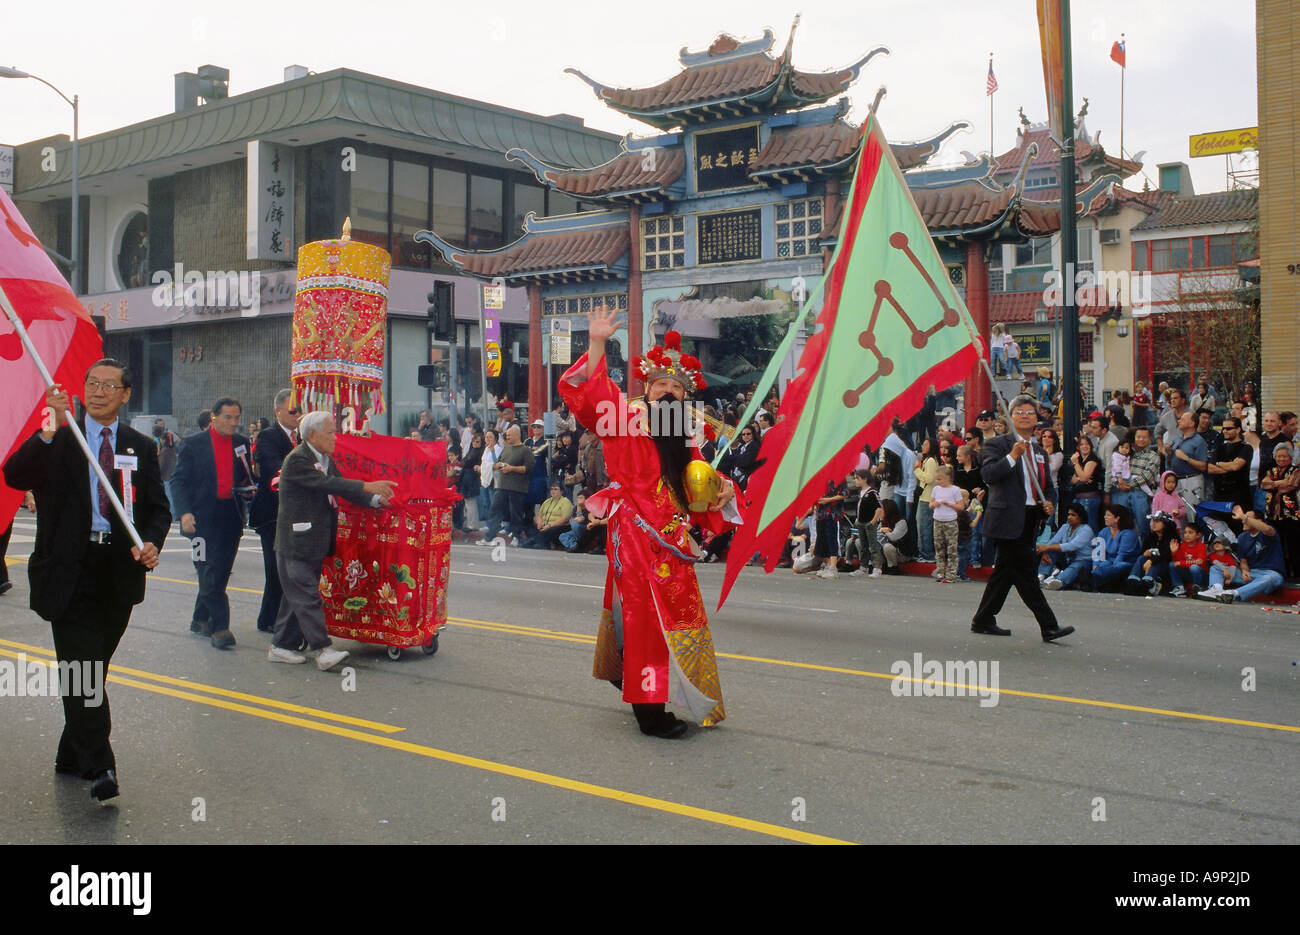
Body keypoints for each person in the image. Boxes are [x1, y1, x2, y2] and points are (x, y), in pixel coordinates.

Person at [558, 307, 740, 738]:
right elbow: (591, 394)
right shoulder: (624, 419)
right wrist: (598, 342)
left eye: (677, 387)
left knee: (674, 617)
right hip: (637, 534)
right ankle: (649, 711)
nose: (669, 392)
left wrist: (723, 489)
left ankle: (634, 677)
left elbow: (697, 481)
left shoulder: (683, 437)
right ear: (647, 388)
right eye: (661, 384)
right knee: (645, 617)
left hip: (671, 537)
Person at [3, 360, 170, 801]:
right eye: (91, 384)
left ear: (126, 394)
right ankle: (101, 766)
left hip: (118, 571)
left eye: (109, 385)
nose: (98, 392)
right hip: (68, 571)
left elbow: (158, 508)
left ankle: (71, 753)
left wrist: (151, 542)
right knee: (83, 673)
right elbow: (14, 475)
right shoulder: (60, 438)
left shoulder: (140, 446)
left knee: (92, 670)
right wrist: (48, 430)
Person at [266, 411, 396, 669]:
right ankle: (323, 649)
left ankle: (280, 646)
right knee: (306, 595)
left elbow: (337, 485)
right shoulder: (298, 460)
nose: (335, 437)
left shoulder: (324, 458)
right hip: (296, 541)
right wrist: (368, 486)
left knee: (296, 596)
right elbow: (328, 484)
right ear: (312, 435)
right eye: (330, 432)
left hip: (315, 539)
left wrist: (373, 500)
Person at [970, 395, 1074, 642]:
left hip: (1030, 517)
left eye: (1030, 412)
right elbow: (989, 475)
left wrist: (1049, 502)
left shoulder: (1039, 451)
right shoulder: (998, 445)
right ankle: (1049, 626)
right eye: (1020, 411)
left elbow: (1047, 486)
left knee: (1005, 573)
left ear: (1037, 418)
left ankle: (983, 619)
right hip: (1006, 517)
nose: (1025, 415)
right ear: (1011, 416)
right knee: (1025, 573)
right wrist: (1012, 456)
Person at [171, 397, 253, 650]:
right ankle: (220, 627)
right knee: (206, 569)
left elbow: (245, 474)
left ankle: (199, 618)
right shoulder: (194, 444)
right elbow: (178, 481)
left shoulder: (241, 443)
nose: (233, 422)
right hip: (200, 521)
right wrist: (184, 513)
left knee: (220, 572)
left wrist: (247, 490)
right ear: (214, 418)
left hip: (230, 516)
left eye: (237, 417)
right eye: (228, 417)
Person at [247, 389, 301, 634]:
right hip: (272, 513)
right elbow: (273, 468)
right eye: (292, 410)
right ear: (277, 410)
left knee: (292, 570)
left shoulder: (304, 436)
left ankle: (285, 617)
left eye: (300, 410)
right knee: (274, 568)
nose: (297, 415)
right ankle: (268, 618)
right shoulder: (268, 436)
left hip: (297, 514)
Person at [1195, 507, 1286, 603]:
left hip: (1270, 573)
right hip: (1252, 574)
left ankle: (1233, 594)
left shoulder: (1268, 532)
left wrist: (1243, 516)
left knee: (1271, 578)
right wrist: (1245, 571)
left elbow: (1267, 529)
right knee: (1217, 568)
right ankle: (1216, 590)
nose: (1243, 521)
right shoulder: (1242, 537)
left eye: (1246, 518)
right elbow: (1243, 561)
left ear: (1258, 521)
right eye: (1243, 519)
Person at [484, 425, 534, 544]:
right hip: (502, 486)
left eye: (510, 435)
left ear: (518, 435)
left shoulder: (525, 450)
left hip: (517, 488)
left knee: (515, 513)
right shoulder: (506, 449)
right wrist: (498, 466)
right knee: (495, 510)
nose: (507, 436)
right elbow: (497, 464)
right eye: (507, 435)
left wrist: (512, 468)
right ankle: (489, 537)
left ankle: (516, 537)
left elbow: (528, 468)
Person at [1259, 441, 1299, 579]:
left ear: (1290, 457)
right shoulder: (1271, 471)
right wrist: (1281, 483)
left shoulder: (1296, 470)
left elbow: (1292, 483)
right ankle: (1283, 573)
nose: (1281, 459)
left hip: (1291, 514)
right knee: (1277, 546)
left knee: (1294, 546)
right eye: (1279, 456)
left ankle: (1296, 575)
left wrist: (1273, 484)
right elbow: (1264, 484)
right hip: (1273, 515)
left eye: (1285, 456)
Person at [1038, 503, 1094, 591]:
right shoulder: (1065, 527)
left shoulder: (1086, 530)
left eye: (1073, 515)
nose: (1069, 517)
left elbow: (1071, 546)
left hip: (1083, 561)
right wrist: (1045, 552)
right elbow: (1053, 542)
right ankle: (1040, 576)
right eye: (1069, 514)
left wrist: (1046, 548)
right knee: (1051, 550)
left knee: (1076, 566)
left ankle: (1058, 581)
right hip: (1067, 559)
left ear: (1080, 517)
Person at [1125, 511, 1178, 596]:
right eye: (1152, 521)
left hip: (1165, 568)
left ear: (1165, 524)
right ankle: (1132, 580)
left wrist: (1151, 561)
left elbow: (1166, 555)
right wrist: (1145, 554)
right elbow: (1143, 552)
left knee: (1157, 561)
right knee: (1141, 558)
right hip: (1147, 566)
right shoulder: (1151, 536)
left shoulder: (1172, 537)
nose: (1153, 523)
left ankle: (1147, 583)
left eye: (1157, 521)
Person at [1089, 505, 1141, 592]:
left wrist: (1105, 568)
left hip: (1125, 562)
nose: (1105, 517)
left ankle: (1092, 579)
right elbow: (1098, 551)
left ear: (1117, 518)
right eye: (1105, 515)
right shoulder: (1104, 531)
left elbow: (1122, 555)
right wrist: (1096, 565)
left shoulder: (1128, 534)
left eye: (1108, 515)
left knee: (1117, 567)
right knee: (1102, 565)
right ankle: (1095, 578)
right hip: (1109, 561)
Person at [1167, 411, 1209, 509]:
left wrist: (1186, 458)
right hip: (1176, 480)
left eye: (1182, 419)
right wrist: (1169, 454)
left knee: (1192, 512)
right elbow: (1170, 461)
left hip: (1191, 480)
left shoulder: (1199, 441)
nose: (1179, 421)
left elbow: (1203, 466)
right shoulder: (1177, 439)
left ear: (1192, 423)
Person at [930, 465, 964, 583]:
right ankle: (940, 572)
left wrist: (949, 504)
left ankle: (952, 573)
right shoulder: (936, 489)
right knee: (939, 547)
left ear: (948, 478)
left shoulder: (955, 489)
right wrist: (935, 504)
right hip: (937, 520)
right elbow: (931, 504)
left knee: (951, 548)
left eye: (940, 479)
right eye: (937, 479)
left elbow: (961, 506)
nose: (938, 481)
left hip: (950, 521)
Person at [1067, 435, 1103, 534]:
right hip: (1079, 497)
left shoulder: (1091, 459)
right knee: (1078, 526)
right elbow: (1073, 481)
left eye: (1087, 444)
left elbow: (1083, 478)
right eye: (1082, 444)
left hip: (1089, 498)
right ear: (1078, 447)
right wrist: (1081, 476)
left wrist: (1075, 464)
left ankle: (1094, 547)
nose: (1085, 446)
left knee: (1090, 525)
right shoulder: (1081, 461)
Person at [525, 482, 573, 549]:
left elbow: (565, 519)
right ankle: (535, 541)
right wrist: (539, 523)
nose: (553, 491)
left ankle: (539, 543)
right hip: (546, 525)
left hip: (560, 526)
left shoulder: (565, 502)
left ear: (561, 491)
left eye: (555, 489)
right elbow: (539, 515)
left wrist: (550, 525)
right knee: (530, 527)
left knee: (548, 531)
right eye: (551, 489)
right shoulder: (547, 501)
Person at [1168, 523, 1208, 597]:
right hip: (1188, 572)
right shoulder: (1183, 545)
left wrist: (1181, 563)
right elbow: (1177, 562)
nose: (1187, 535)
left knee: (1194, 567)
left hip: (1200, 575)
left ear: (1198, 535)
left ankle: (1197, 588)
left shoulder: (1201, 546)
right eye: (1185, 532)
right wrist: (1174, 553)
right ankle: (1179, 589)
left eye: (1190, 532)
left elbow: (1199, 562)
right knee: (1171, 564)